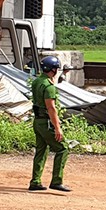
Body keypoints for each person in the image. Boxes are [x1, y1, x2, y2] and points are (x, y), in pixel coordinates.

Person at [29, 56, 70, 192]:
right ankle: (57, 181)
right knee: (63, 148)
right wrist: (58, 128)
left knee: (41, 150)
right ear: (53, 70)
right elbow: (51, 108)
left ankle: (35, 181)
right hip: (46, 122)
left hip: (37, 121)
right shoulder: (49, 86)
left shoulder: (37, 82)